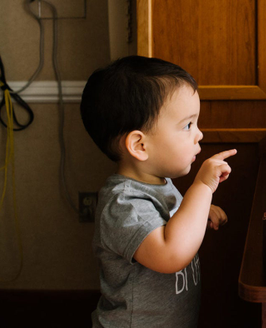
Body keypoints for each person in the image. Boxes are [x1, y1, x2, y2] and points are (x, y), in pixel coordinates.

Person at [80, 56, 235, 327]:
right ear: (140, 145)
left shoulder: (158, 181)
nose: (199, 134)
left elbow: (168, 222)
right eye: (188, 125)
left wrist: (198, 211)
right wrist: (201, 188)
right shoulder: (123, 204)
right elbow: (170, 253)